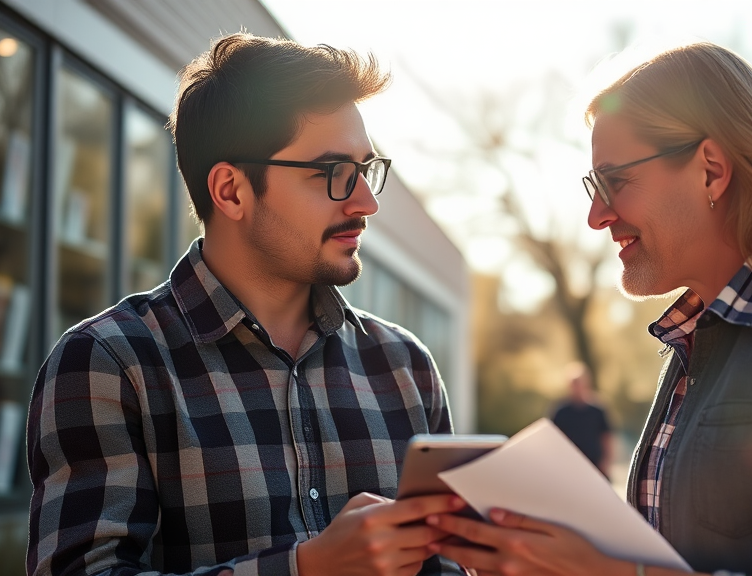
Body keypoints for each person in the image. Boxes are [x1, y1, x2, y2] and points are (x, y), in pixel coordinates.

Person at [425, 42, 752, 576]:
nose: (595, 216)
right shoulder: (696, 341)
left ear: (710, 170)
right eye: (595, 186)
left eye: (615, 181)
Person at [27, 33, 467, 576]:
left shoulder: (406, 367)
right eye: (333, 173)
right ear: (232, 191)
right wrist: (307, 569)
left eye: (367, 168)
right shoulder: (109, 366)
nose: (366, 202)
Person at [550, 363, 613, 477]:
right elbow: (553, 439)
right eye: (573, 383)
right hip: (571, 467)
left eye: (579, 382)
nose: (577, 387)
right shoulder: (561, 412)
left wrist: (606, 461)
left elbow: (607, 437)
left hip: (596, 465)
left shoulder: (597, 409)